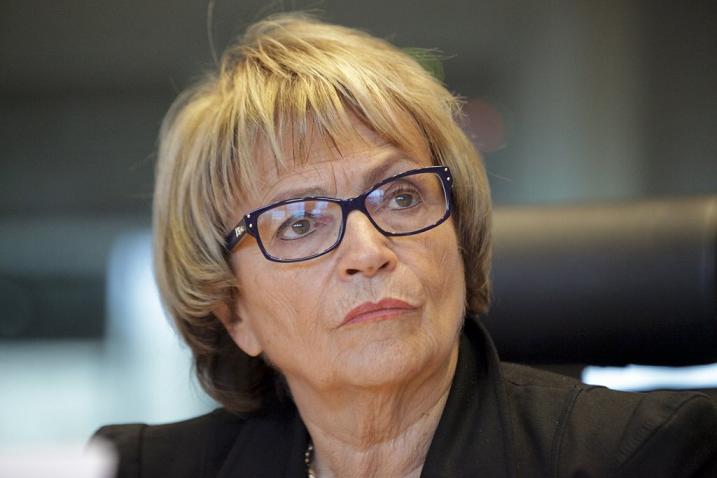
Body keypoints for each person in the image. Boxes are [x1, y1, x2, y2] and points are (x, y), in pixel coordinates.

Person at [94, 13, 717, 477]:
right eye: (300, 223)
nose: (368, 251)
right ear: (235, 312)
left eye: (400, 196)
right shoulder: (147, 469)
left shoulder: (653, 458)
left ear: (459, 238)